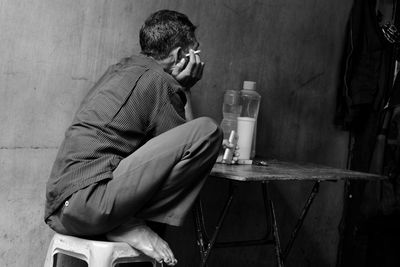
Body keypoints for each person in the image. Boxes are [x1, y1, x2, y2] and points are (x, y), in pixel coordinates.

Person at [44, 10, 223, 266]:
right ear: (178, 55)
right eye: (194, 51)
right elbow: (185, 151)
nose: (198, 59)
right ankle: (125, 223)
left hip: (61, 209)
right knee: (208, 131)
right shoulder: (160, 82)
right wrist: (184, 88)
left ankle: (120, 221)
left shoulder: (120, 69)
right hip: (91, 204)